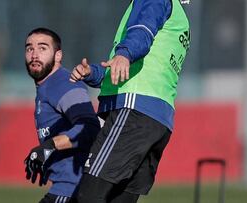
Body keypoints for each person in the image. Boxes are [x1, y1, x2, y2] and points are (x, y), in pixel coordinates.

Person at [70, 0, 190, 202]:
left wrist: (124, 53)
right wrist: (93, 73)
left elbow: (142, 30)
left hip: (134, 110)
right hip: (158, 121)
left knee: (88, 195)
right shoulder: (182, 20)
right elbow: (133, 69)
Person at [23, 27, 100, 203]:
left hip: (74, 190)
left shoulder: (63, 83)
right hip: (66, 187)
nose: (34, 55)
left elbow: (89, 127)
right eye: (29, 49)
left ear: (58, 56)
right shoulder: (46, 87)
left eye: (42, 48)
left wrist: (48, 147)